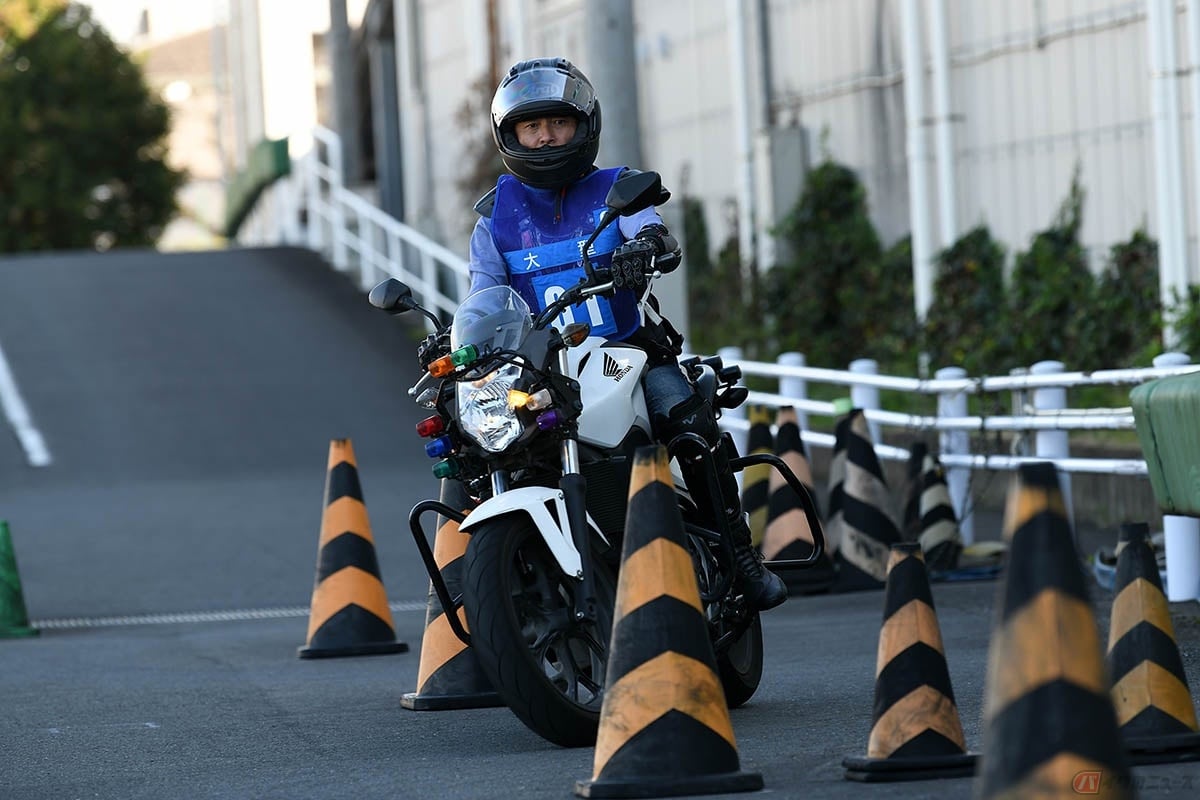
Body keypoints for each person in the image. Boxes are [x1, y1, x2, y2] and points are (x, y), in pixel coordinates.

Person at [465, 57, 786, 610]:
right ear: (509, 135)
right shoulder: (495, 216)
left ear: (583, 127)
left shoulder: (618, 189)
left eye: (558, 123)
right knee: (482, 446)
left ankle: (740, 557)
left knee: (686, 421)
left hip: (625, 352)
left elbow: (653, 230)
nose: (545, 138)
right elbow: (481, 293)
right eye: (531, 126)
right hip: (540, 368)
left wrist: (645, 246)